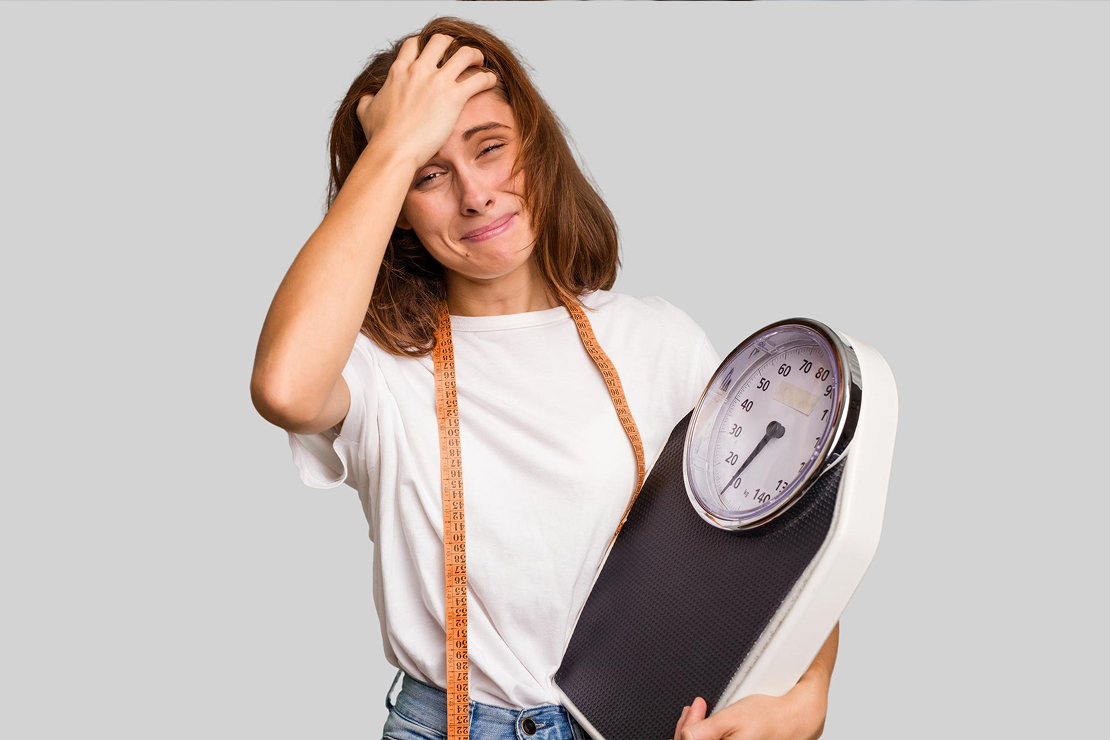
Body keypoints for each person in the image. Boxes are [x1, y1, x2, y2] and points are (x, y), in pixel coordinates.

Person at [251, 16, 838, 740]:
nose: (473, 195)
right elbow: (283, 388)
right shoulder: (376, 369)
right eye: (428, 175)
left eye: (490, 148)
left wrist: (805, 698)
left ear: (535, 144)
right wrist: (392, 145)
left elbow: (775, 533)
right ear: (397, 207)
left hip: (635, 725)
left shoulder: (654, 340)